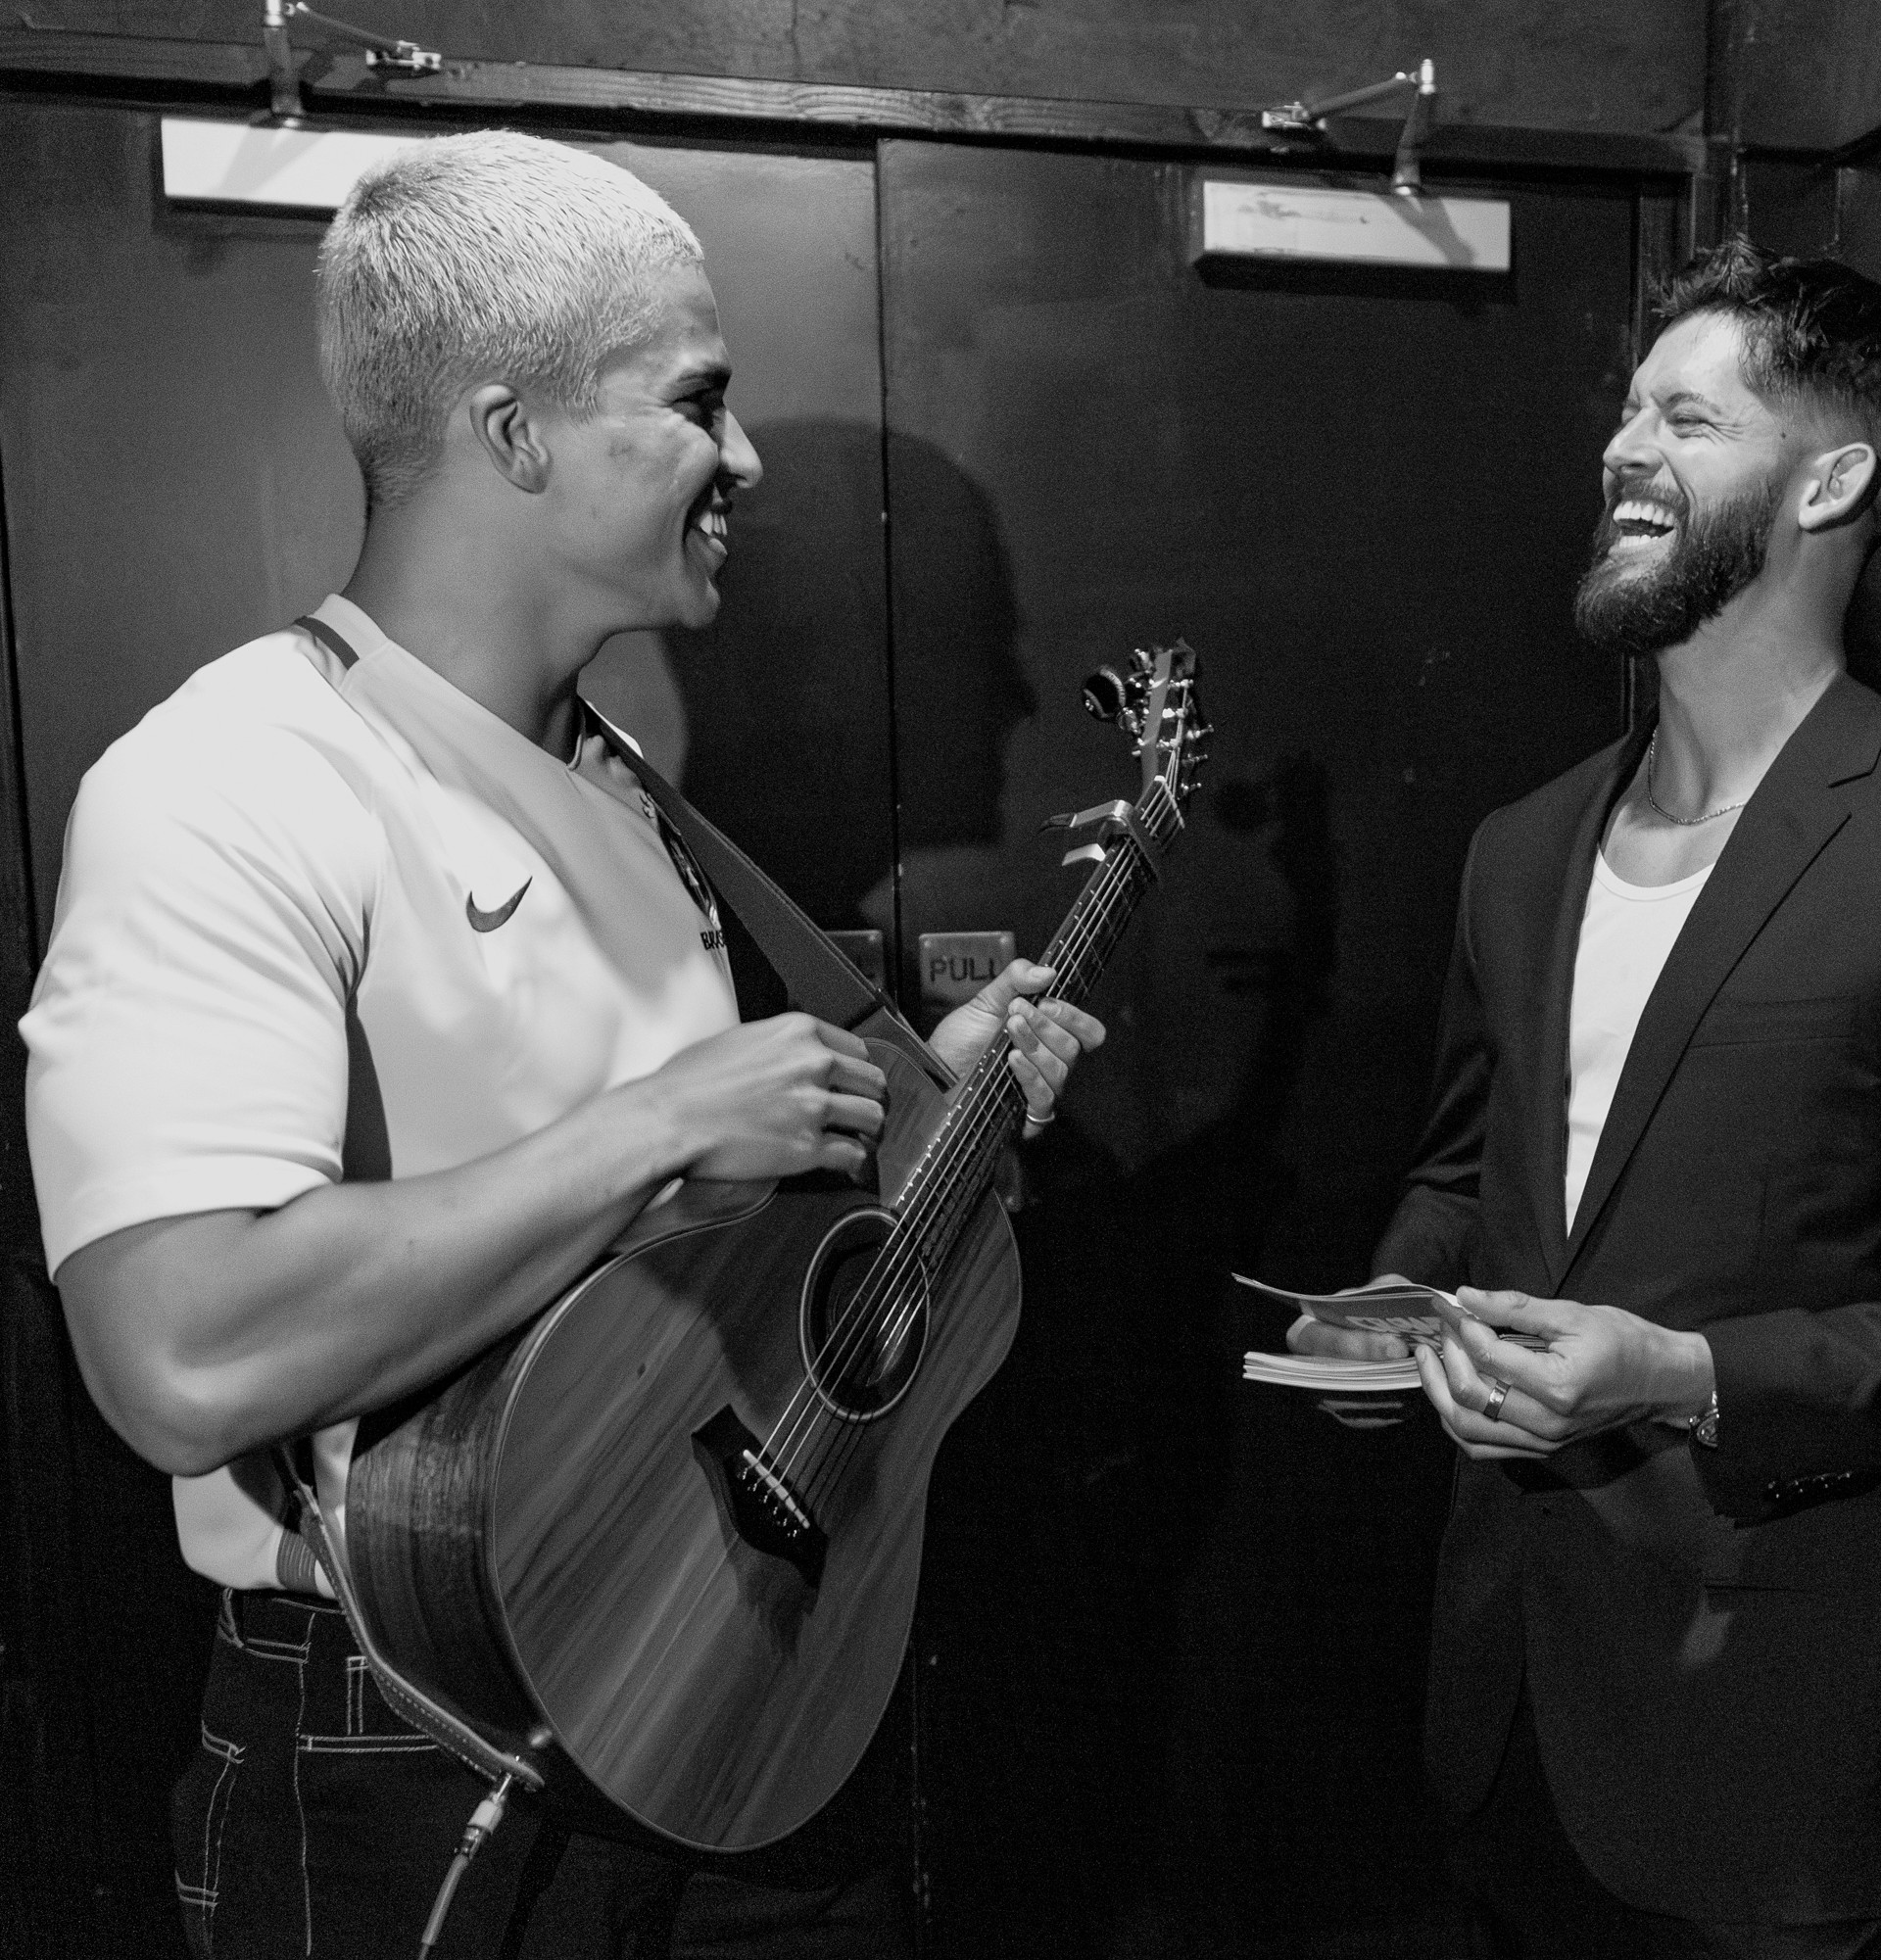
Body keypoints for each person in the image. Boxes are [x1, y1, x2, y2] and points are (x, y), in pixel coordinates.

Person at [21, 131, 1103, 1958]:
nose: (742, 458)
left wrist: (921, 1084)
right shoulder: (231, 779)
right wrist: (656, 1123)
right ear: (514, 434)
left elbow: (682, 1273)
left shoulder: (627, 803)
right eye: (697, 400)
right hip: (419, 1744)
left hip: (720, 1695)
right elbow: (180, 1352)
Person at [1292, 241, 1881, 1957]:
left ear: (1833, 477)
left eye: (1687, 413)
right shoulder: (1521, 847)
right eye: (1625, 408)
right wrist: (1389, 1314)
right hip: (1507, 1694)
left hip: (1777, 1733)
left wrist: (1682, 1376)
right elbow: (1468, 1169)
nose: (1624, 446)